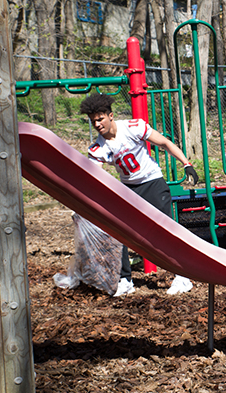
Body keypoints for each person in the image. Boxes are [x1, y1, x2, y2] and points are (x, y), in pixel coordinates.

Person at [80, 93, 200, 297]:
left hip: (152, 183)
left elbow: (164, 143)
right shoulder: (98, 147)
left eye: (100, 119)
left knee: (166, 231)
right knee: (119, 231)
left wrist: (186, 163)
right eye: (93, 121)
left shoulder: (132, 127)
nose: (98, 124)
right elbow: (94, 175)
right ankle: (125, 280)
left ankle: (182, 276)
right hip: (129, 189)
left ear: (110, 115)